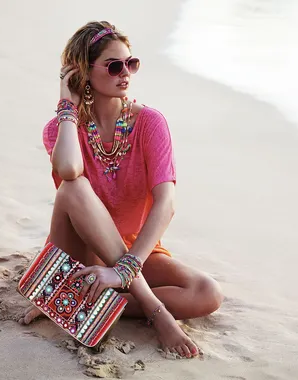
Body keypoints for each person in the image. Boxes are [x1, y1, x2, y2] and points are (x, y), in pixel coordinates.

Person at [19, 21, 223, 358]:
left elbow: (166, 203)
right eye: (114, 66)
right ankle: (154, 310)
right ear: (83, 73)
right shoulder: (60, 130)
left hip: (134, 253)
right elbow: (69, 171)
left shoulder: (150, 122)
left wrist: (124, 269)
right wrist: (66, 107)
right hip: (80, 252)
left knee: (207, 293)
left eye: (131, 63)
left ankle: (81, 299)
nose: (125, 73)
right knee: (74, 188)